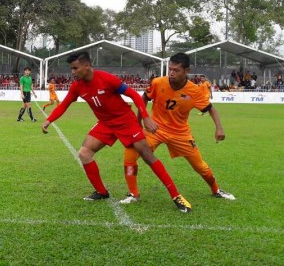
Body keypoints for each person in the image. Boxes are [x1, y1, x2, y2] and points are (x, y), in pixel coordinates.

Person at [42, 52, 192, 213]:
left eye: (75, 68)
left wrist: (146, 118)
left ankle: (176, 196)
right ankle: (102, 192)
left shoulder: (107, 79)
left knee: (147, 156)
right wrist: (49, 120)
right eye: (71, 69)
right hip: (105, 124)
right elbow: (64, 105)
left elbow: (134, 95)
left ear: (87, 65)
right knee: (84, 153)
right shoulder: (77, 86)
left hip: (126, 121)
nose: (72, 72)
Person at [120, 53, 235, 205]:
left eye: (176, 70)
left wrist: (219, 128)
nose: (172, 73)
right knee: (130, 154)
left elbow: (211, 109)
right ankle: (133, 193)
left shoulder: (194, 91)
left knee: (200, 166)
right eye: (170, 69)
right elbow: (144, 98)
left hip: (180, 133)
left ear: (187, 71)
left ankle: (216, 190)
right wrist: (140, 121)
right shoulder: (158, 82)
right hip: (155, 129)